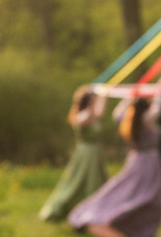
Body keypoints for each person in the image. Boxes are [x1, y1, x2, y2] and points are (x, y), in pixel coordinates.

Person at [67, 92, 161, 237]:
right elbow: (159, 106)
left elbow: (117, 113)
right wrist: (159, 92)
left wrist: (129, 97)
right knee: (145, 198)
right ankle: (137, 235)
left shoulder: (128, 117)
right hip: (146, 163)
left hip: (137, 160)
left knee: (125, 191)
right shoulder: (147, 118)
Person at [39, 86, 109, 222]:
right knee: (81, 183)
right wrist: (91, 109)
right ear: (88, 102)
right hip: (86, 154)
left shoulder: (93, 115)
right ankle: (79, 211)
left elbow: (100, 111)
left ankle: (97, 211)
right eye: (93, 101)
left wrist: (104, 95)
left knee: (98, 181)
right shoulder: (84, 115)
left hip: (95, 154)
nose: (96, 103)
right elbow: (85, 120)